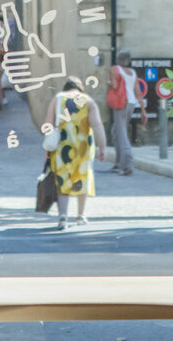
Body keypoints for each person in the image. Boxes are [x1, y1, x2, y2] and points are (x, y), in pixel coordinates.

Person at [46, 77, 105, 230]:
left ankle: (63, 217)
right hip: (83, 147)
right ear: (80, 88)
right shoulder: (88, 101)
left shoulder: (58, 99)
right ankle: (80, 215)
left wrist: (47, 147)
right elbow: (97, 125)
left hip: (61, 147)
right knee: (82, 178)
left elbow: (48, 124)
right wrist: (102, 147)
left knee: (62, 180)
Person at [106, 51, 139, 176]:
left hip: (121, 103)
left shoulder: (115, 69)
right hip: (131, 103)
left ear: (118, 59)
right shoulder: (133, 72)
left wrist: (108, 83)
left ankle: (127, 165)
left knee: (122, 133)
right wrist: (142, 109)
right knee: (116, 132)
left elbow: (114, 85)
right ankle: (118, 162)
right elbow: (137, 91)